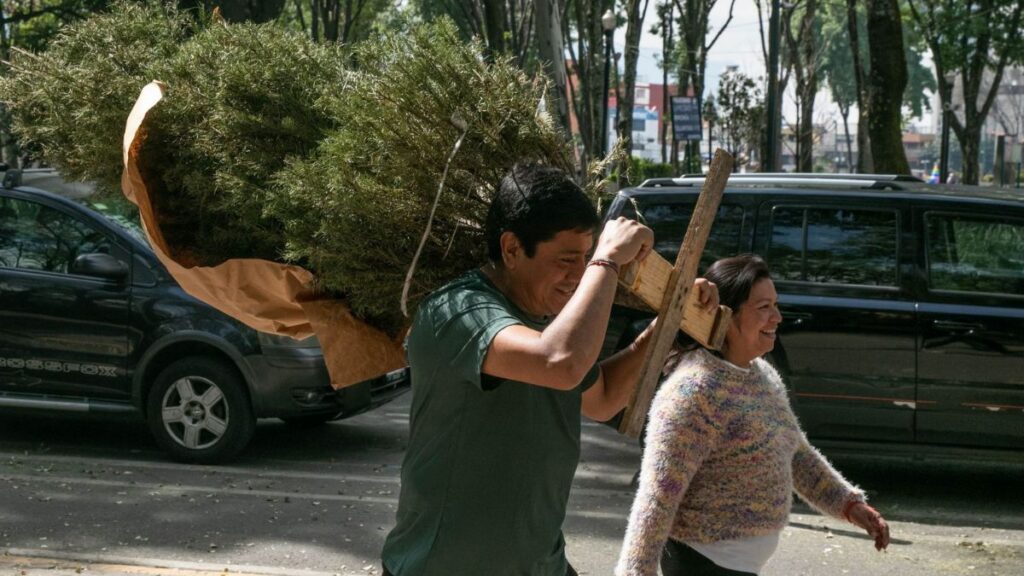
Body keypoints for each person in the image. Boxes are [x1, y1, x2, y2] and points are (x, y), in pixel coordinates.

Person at [381, 162, 718, 576]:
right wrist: (607, 260)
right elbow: (559, 363)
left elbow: (605, 395)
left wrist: (672, 322)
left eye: (585, 257)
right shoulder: (457, 310)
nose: (577, 276)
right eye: (566, 259)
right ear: (511, 249)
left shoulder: (547, 322)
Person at [615, 254, 889, 576]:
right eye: (764, 308)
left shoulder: (763, 376)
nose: (777, 318)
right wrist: (636, 571)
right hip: (701, 563)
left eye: (775, 305)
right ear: (726, 317)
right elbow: (658, 496)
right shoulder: (693, 393)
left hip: (738, 566)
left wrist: (849, 505)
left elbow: (796, 454)